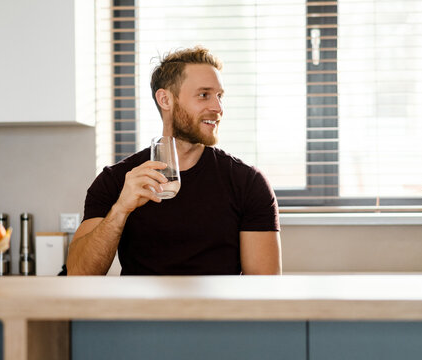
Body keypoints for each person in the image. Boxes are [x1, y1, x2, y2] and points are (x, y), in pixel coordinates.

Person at [67, 46, 281, 276]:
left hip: (217, 313)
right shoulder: (116, 181)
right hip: (140, 313)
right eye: (204, 95)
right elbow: (79, 274)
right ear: (165, 99)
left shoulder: (248, 183)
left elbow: (264, 289)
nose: (217, 108)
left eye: (219, 96)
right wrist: (120, 209)